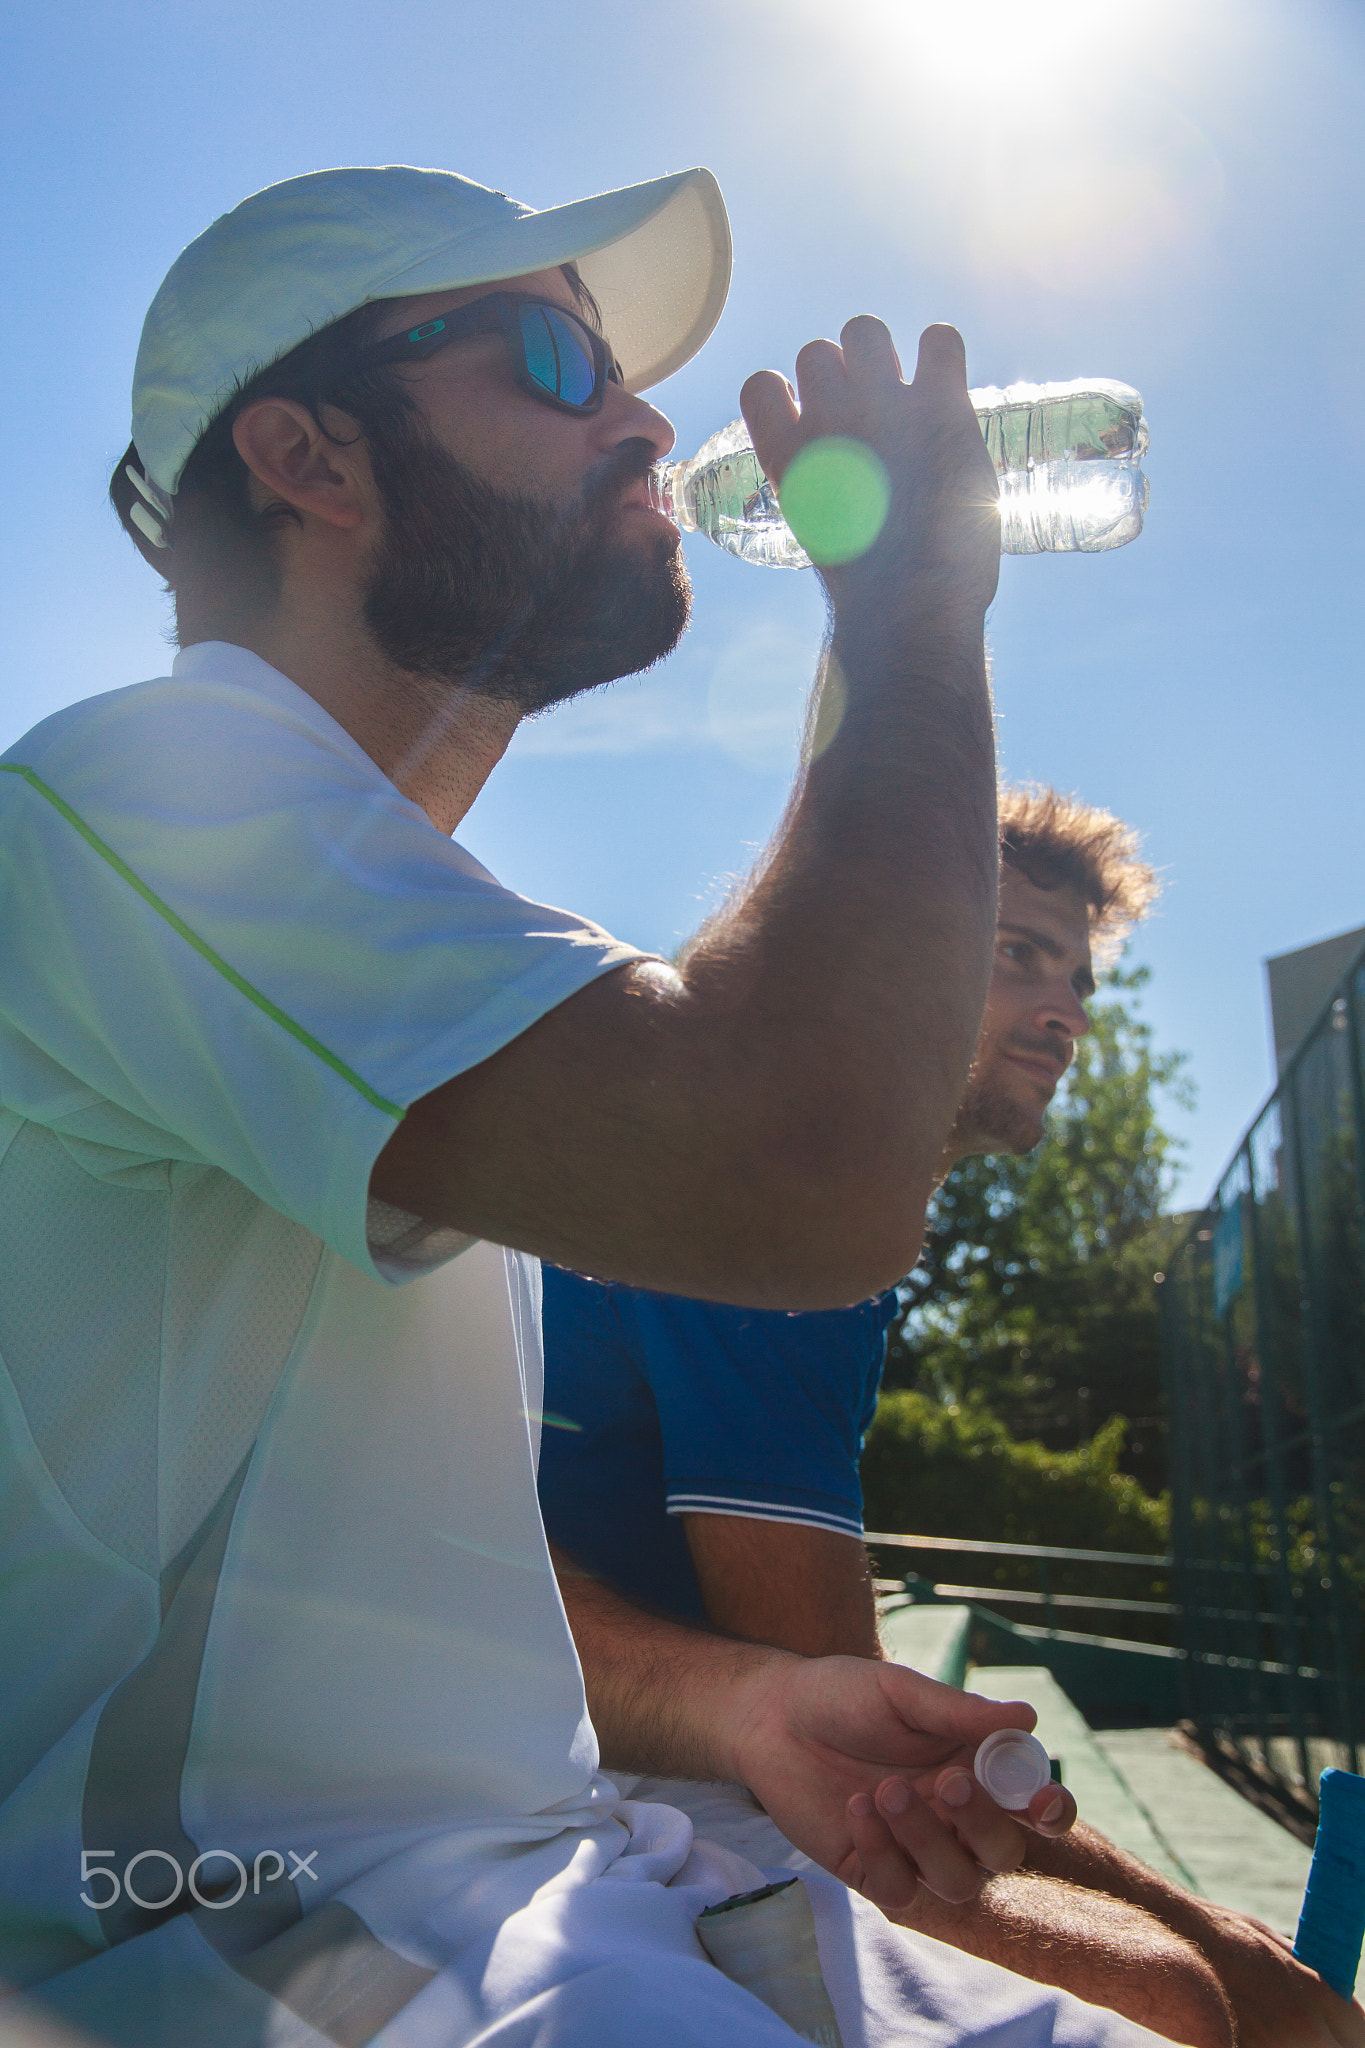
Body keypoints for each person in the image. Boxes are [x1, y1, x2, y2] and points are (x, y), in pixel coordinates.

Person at [0, 161, 1181, 2046]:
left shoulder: (408, 959)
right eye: (557, 354)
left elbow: (396, 1599)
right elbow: (797, 1170)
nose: (644, 416)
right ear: (310, 457)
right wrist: (907, 607)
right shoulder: (144, 797)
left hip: (516, 1861)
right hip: (184, 1925)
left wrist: (736, 1705)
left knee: (1220, 2014)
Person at [541, 787, 1364, 2048]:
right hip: (557, 1772)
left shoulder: (828, 1191)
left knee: (1208, 1978)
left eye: (1078, 980)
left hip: (623, 1730)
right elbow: (851, 1745)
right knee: (1197, 1998)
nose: (1068, 1015)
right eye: (1016, 955)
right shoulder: (787, 1178)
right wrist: (1244, 1966)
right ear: (887, 952)